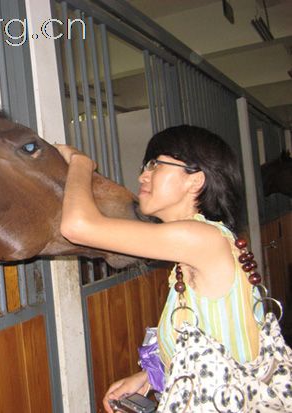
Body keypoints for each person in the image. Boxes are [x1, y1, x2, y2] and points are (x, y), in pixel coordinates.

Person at [55, 125, 262, 413]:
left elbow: (76, 227)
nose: (142, 175)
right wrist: (151, 377)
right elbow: (214, 343)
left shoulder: (200, 238)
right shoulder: (195, 246)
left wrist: (81, 164)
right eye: (145, 165)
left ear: (195, 180)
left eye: (156, 164)